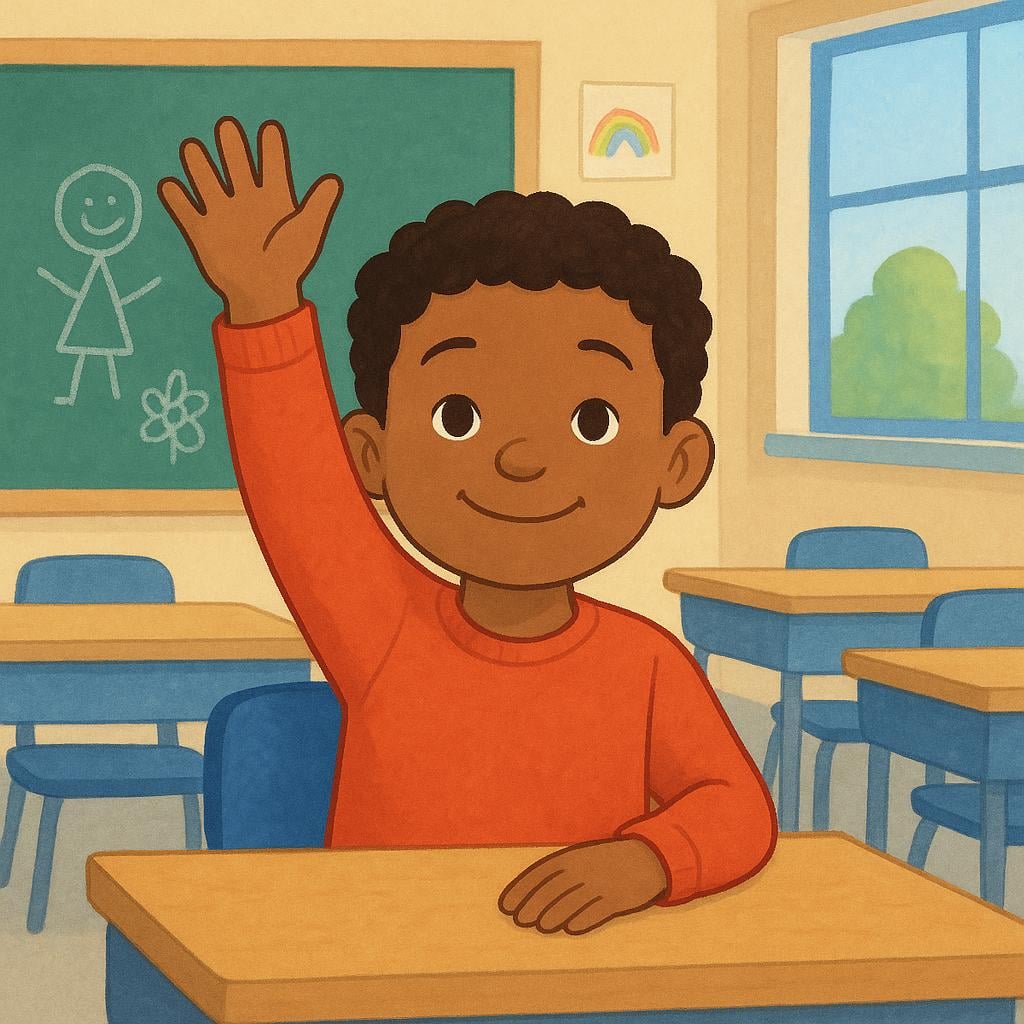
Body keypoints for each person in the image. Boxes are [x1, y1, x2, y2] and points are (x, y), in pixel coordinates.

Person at [158, 117, 776, 936]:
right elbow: (300, 496)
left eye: (592, 419)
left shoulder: (645, 665)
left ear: (677, 461)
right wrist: (264, 307)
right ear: (372, 454)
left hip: (571, 984)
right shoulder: (381, 626)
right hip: (389, 975)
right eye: (458, 415)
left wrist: (651, 859)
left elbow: (737, 810)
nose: (521, 457)